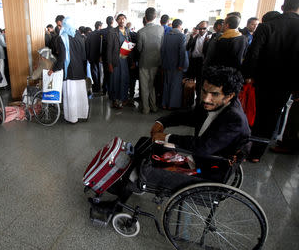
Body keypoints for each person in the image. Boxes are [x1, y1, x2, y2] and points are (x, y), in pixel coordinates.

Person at [99, 66, 250, 205]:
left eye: (214, 94)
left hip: (205, 169)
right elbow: (189, 116)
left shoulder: (234, 119)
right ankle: (128, 183)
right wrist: (162, 122)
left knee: (148, 160)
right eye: (204, 91)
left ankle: (129, 187)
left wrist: (167, 137)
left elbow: (203, 147)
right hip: (201, 156)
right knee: (145, 143)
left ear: (229, 96)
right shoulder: (216, 104)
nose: (205, 98)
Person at [242, 0, 299, 163]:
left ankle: (244, 145)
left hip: (262, 80)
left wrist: (248, 75)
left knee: (254, 112)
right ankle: (256, 154)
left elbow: (253, 54)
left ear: (283, 5)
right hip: (285, 84)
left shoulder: (267, 26)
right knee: (271, 116)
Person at [51, 17, 89, 123]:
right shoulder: (79, 36)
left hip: (70, 71)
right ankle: (82, 114)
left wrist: (53, 69)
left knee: (71, 95)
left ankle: (72, 118)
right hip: (80, 71)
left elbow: (62, 58)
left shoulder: (62, 38)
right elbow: (84, 55)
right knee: (80, 94)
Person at [136, 7, 164, 114]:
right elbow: (162, 45)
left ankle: (146, 108)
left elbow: (139, 48)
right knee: (152, 85)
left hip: (144, 62)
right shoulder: (161, 29)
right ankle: (154, 106)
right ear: (155, 16)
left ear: (145, 17)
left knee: (144, 86)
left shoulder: (141, 32)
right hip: (156, 61)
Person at [107, 13, 133, 109]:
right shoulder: (112, 32)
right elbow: (109, 49)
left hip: (125, 60)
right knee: (115, 81)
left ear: (126, 20)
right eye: (120, 19)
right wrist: (109, 63)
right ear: (117, 21)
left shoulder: (127, 31)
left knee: (124, 80)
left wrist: (132, 61)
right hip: (116, 60)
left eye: (124, 19)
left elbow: (129, 45)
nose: (122, 20)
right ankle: (114, 100)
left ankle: (123, 99)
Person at [161, 19, 189, 109]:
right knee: (175, 85)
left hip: (166, 64)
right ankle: (172, 105)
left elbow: (162, 51)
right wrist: (182, 65)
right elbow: (182, 52)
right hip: (177, 65)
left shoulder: (166, 36)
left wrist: (163, 63)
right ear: (180, 26)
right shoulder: (182, 36)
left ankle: (164, 103)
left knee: (166, 84)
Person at [186, 20, 211, 103]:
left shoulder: (210, 38)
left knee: (200, 84)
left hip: (202, 63)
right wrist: (191, 37)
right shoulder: (195, 36)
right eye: (200, 28)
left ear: (207, 28)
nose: (201, 30)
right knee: (190, 83)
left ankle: (199, 103)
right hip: (193, 62)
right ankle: (189, 102)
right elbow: (187, 47)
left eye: (204, 28)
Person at [85, 21, 103, 94]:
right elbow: (102, 45)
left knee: (94, 71)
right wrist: (101, 55)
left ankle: (96, 86)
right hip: (100, 56)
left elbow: (87, 45)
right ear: (99, 26)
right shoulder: (101, 34)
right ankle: (100, 86)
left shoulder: (90, 34)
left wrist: (88, 56)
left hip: (92, 56)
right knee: (100, 72)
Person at [100, 16, 114, 95]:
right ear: (112, 22)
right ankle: (111, 89)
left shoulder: (102, 31)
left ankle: (104, 90)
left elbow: (100, 44)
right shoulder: (115, 30)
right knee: (112, 73)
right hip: (113, 56)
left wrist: (100, 55)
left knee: (105, 73)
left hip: (104, 55)